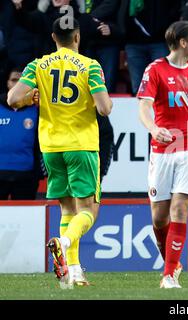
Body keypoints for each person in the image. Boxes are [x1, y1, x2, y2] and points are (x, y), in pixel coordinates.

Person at [7, 17, 112, 288]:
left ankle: (73, 271)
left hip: (51, 147)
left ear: (54, 38)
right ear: (77, 37)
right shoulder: (90, 66)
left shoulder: (37, 65)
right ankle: (64, 244)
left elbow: (12, 99)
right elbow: (104, 109)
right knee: (88, 211)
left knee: (67, 209)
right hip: (81, 145)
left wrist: (32, 98)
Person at [137, 20, 188, 289]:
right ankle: (172, 262)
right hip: (163, 149)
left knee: (181, 209)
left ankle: (169, 275)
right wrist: (154, 128)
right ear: (182, 42)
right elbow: (144, 107)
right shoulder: (155, 70)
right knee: (159, 217)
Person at [0, 68, 42, 200]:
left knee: (25, 218)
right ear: (7, 83)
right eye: (14, 80)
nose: (17, 84)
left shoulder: (38, 109)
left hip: (26, 176)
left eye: (21, 80)